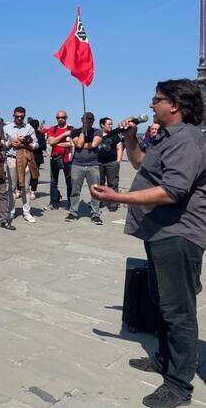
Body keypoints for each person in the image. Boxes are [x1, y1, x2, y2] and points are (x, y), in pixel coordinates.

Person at [90, 79, 206, 408]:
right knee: (162, 301)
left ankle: (178, 385)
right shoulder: (166, 137)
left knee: (179, 310)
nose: (151, 104)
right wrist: (128, 138)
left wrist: (119, 196)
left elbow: (173, 191)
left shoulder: (188, 140)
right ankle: (163, 359)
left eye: (157, 99)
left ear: (175, 105)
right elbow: (142, 162)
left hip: (179, 235)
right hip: (159, 232)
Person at [3, 106, 39, 224]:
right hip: (12, 159)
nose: (19, 118)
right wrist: (10, 143)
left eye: (21, 116)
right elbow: (1, 144)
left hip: (25, 158)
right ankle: (10, 211)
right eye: (17, 116)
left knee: (26, 187)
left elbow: (36, 145)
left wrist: (26, 143)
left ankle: (27, 212)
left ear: (24, 116)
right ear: (13, 115)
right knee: (11, 187)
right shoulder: (6, 128)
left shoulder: (29, 128)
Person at [66, 112, 103, 224]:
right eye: (86, 119)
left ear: (94, 120)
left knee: (95, 191)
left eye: (91, 119)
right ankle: (73, 212)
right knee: (75, 190)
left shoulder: (98, 131)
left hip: (93, 164)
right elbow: (78, 144)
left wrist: (82, 145)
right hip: (77, 164)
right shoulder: (75, 131)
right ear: (82, 120)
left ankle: (96, 213)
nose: (89, 120)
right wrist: (83, 131)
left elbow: (94, 145)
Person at [45, 110, 74, 210]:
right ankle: (53, 202)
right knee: (53, 181)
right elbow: (50, 142)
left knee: (69, 181)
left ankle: (71, 202)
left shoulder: (71, 129)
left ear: (66, 117)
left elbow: (72, 143)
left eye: (62, 117)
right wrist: (64, 134)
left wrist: (56, 143)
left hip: (67, 158)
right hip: (55, 157)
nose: (60, 119)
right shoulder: (53, 128)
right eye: (58, 117)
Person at [97, 117, 123, 212]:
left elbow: (119, 147)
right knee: (99, 183)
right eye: (109, 124)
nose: (111, 126)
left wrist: (118, 161)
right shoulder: (97, 135)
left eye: (112, 124)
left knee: (113, 183)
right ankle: (99, 202)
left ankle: (113, 203)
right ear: (102, 125)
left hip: (112, 163)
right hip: (99, 163)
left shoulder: (115, 135)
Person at [27, 118, 46, 200]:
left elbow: (43, 146)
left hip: (37, 157)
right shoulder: (26, 135)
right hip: (27, 156)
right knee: (24, 174)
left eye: (35, 127)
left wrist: (34, 146)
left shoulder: (41, 135)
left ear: (37, 127)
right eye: (32, 127)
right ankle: (20, 190)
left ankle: (33, 191)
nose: (33, 129)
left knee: (34, 175)